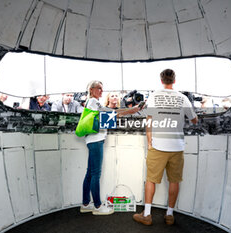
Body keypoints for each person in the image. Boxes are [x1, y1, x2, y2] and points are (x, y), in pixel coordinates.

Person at [133, 69, 198, 226]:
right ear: (174, 80)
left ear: (161, 80)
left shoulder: (154, 96)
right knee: (174, 181)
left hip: (158, 145)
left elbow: (148, 121)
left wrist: (149, 142)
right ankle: (169, 215)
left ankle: (147, 214)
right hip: (176, 146)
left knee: (151, 179)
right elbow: (195, 120)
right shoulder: (183, 98)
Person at [80, 80, 141, 216]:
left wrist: (129, 110)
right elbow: (113, 113)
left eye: (102, 89)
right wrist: (132, 110)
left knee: (90, 173)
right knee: (96, 173)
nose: (101, 91)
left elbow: (111, 112)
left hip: (93, 140)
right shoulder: (93, 102)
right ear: (91, 89)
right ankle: (97, 206)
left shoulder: (93, 103)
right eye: (99, 88)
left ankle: (85, 204)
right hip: (96, 140)